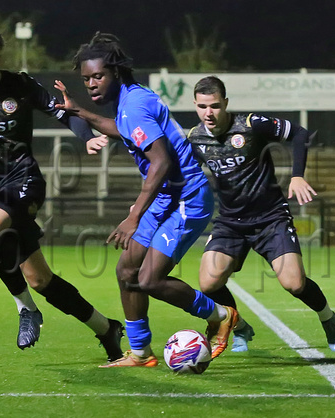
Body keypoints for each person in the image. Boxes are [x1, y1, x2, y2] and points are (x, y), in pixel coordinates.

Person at [0, 21, 123, 363]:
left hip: (24, 181)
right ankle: (106, 328)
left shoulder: (18, 84)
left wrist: (87, 137)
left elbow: (60, 111)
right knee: (40, 279)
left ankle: (26, 311)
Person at [54, 33, 244, 367]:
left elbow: (162, 162)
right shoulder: (131, 99)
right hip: (165, 197)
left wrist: (133, 215)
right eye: (86, 79)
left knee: (149, 279)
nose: (92, 84)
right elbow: (122, 129)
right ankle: (141, 352)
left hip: (187, 197)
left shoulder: (135, 105)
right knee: (127, 270)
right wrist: (80, 112)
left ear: (115, 72)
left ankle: (221, 314)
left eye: (98, 76)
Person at [187, 75, 335, 353]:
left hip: (270, 218)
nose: (208, 113)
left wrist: (297, 176)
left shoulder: (250, 125)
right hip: (230, 222)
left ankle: (327, 317)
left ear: (225, 103)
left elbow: (300, 133)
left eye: (214, 106)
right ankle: (240, 327)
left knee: (294, 284)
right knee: (208, 282)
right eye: (202, 107)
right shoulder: (195, 138)